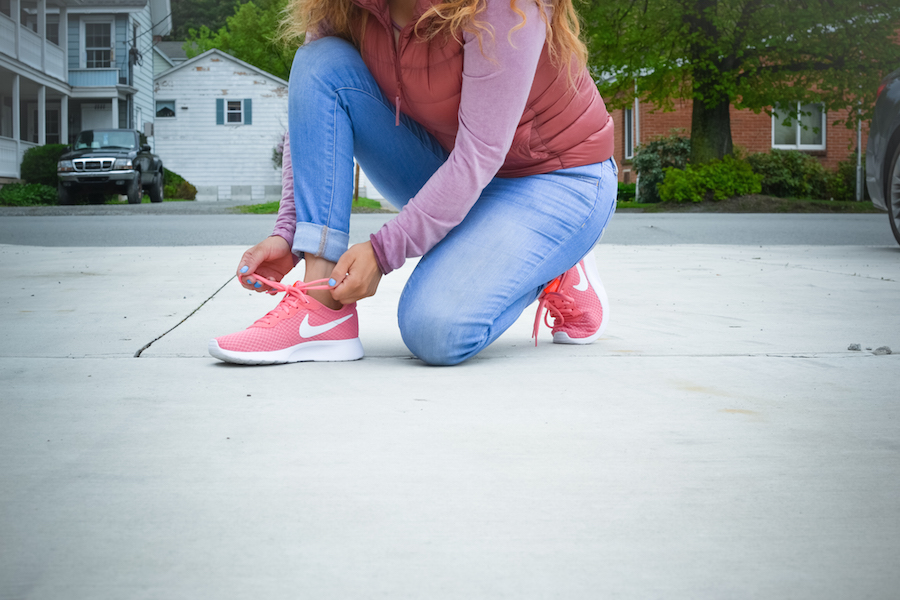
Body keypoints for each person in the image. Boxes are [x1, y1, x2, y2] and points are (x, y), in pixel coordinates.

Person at [208, 0, 617, 366]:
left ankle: (554, 258)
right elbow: (314, 108)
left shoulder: (502, 7)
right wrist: (289, 232)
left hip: (557, 176)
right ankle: (321, 308)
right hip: (454, 168)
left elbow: (481, 154)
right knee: (320, 62)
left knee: (434, 331)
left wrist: (384, 251)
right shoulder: (347, 6)